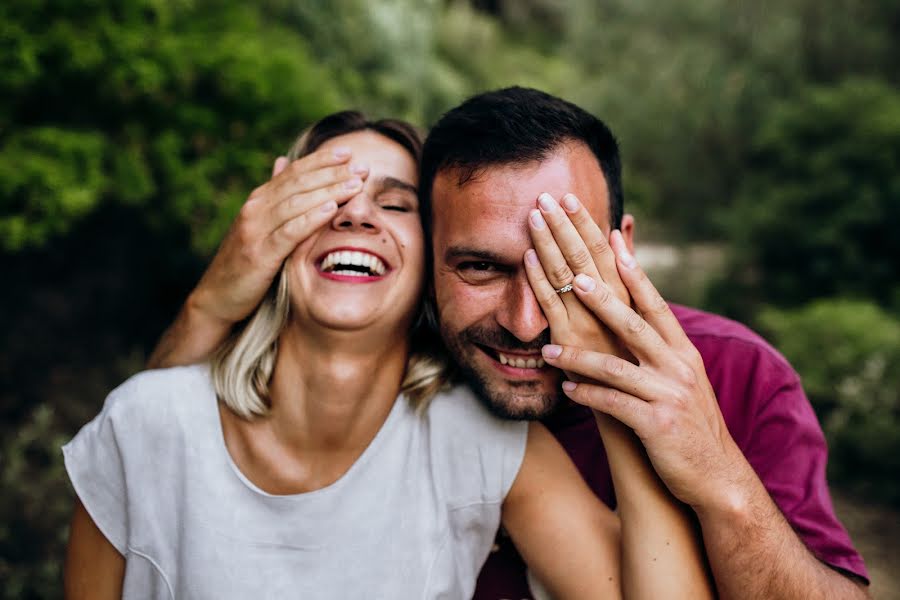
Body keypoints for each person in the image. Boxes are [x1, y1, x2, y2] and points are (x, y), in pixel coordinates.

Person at [147, 88, 869, 598]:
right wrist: (218, 293)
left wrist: (720, 481)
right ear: (429, 259)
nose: (525, 321)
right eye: (480, 268)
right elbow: (158, 462)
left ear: (624, 248)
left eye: (562, 270)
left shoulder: (737, 373)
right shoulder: (402, 361)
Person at [63, 111, 713, 599]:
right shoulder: (145, 419)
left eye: (396, 203)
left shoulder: (479, 443)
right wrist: (213, 295)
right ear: (270, 235)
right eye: (324, 197)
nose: (357, 216)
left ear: (436, 265)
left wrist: (612, 370)